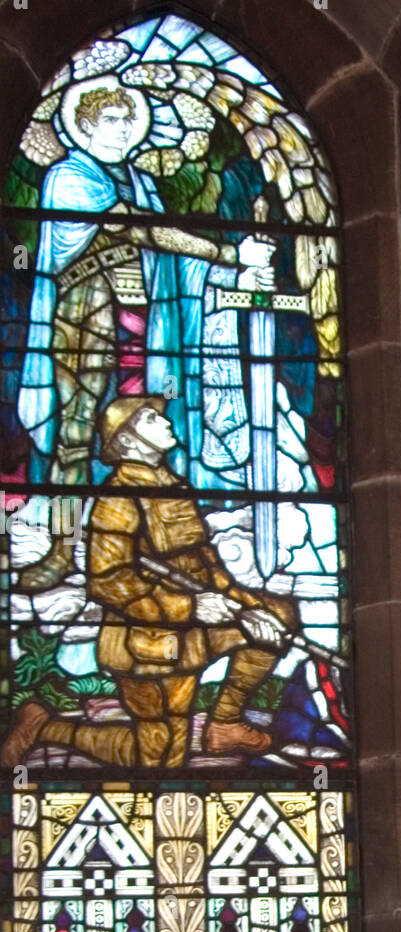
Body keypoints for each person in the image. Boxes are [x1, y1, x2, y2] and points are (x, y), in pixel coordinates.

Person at [16, 83, 274, 588]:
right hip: (85, 318)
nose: (123, 130)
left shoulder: (140, 181)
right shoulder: (70, 178)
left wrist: (234, 275)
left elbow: (171, 258)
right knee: (76, 435)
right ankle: (64, 552)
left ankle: (142, 546)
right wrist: (227, 255)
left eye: (128, 121)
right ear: (84, 127)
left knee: (144, 430)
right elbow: (141, 230)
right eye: (112, 121)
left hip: (146, 320)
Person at [1, 396, 296, 769]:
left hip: (192, 631)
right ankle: (48, 728)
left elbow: (206, 564)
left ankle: (224, 724)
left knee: (277, 617)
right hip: (144, 642)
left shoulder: (174, 488)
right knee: (157, 759)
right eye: (151, 419)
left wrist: (246, 608)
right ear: (127, 441)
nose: (165, 422)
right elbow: (109, 582)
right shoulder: (118, 499)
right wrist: (191, 607)